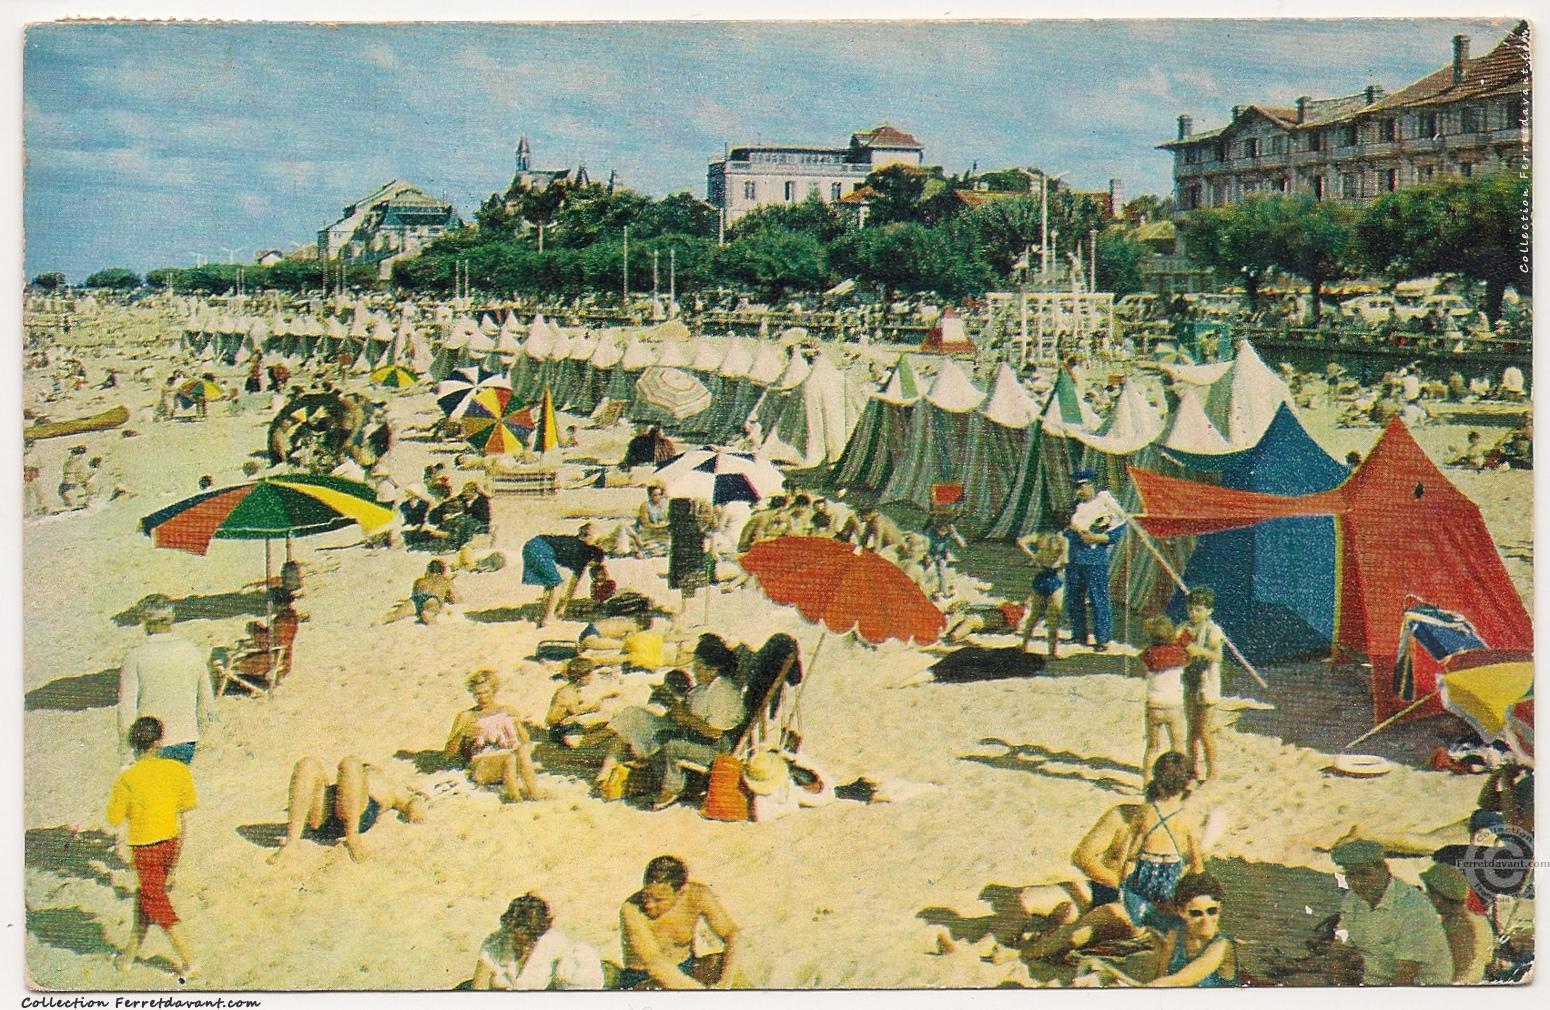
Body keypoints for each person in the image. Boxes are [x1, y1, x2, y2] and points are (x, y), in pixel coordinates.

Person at [1025, 753, 1203, 961]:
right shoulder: (1123, 815)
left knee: (1092, 922)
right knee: (1029, 897)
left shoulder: (1184, 825)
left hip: (1142, 907)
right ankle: (1001, 942)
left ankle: (1023, 954)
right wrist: (1121, 884)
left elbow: (1195, 875)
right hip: (1102, 888)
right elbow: (1082, 856)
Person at [106, 717, 197, 978]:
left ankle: (189, 960)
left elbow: (114, 818)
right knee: (146, 897)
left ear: (133, 744)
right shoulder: (178, 770)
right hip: (172, 842)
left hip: (145, 847)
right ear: (159, 741)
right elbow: (183, 813)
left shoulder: (127, 778)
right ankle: (128, 956)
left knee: (155, 901)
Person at [1328, 839, 1452, 986]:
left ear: (1384, 869)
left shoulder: (1413, 907)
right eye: (1351, 875)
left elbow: (1405, 976)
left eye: (1364, 873)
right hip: (1374, 984)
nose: (1357, 882)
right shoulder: (1353, 900)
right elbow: (1339, 952)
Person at [266, 755, 428, 864]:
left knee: (350, 763)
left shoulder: (385, 783)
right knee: (307, 764)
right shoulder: (354, 779)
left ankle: (353, 838)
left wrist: (417, 810)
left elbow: (411, 802)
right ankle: (291, 843)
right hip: (328, 813)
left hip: (358, 815)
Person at [648, 635, 747, 809]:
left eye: (698, 665)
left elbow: (715, 732)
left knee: (671, 747)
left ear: (713, 669)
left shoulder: (722, 692)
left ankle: (672, 789)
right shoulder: (706, 687)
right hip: (704, 740)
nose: (694, 670)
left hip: (718, 749)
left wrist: (686, 718)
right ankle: (682, 783)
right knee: (659, 736)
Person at [118, 595, 216, 766]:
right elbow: (206, 699)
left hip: (150, 742)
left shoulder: (135, 656)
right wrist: (203, 734)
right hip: (186, 739)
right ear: (172, 617)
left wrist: (126, 752)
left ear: (143, 619)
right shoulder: (191, 651)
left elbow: (126, 709)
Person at [617, 856, 740, 990]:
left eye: (658, 900)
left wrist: (724, 983)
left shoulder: (697, 895)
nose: (649, 905)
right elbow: (654, 963)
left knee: (720, 962)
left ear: (681, 893)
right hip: (643, 977)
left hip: (685, 967)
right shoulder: (631, 909)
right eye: (645, 895)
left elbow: (732, 933)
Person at [1100, 872, 1239, 987]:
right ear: (1181, 912)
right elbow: (1161, 977)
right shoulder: (1176, 935)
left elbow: (1181, 979)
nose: (1206, 920)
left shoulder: (1222, 946)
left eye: (1212, 911)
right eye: (1196, 913)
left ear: (1219, 908)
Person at [444, 668, 544, 802]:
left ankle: (534, 794)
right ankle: (515, 798)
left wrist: (518, 725)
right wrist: (462, 733)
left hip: (510, 761)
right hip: (482, 765)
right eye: (477, 694)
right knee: (509, 758)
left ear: (493, 690)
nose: (482, 697)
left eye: (486, 692)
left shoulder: (506, 710)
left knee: (521, 752)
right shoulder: (466, 716)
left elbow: (526, 741)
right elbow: (449, 752)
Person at [473, 893, 604, 990]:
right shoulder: (494, 944)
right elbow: (479, 986)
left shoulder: (556, 945)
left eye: (531, 937)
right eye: (517, 933)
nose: (526, 943)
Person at [1064, 470, 1127, 652]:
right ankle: (1078, 634)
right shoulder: (1075, 506)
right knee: (1074, 598)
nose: (1079, 491)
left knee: (1098, 598)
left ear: (1090, 485)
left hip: (1094, 559)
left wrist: (1095, 538)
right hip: (1074, 557)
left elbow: (1116, 532)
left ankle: (1103, 638)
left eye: (1081, 486)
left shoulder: (1105, 504)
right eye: (1076, 487)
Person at [1179, 587, 1225, 783]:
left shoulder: (1212, 630)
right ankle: (1192, 769)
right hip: (1191, 681)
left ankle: (1213, 772)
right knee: (1191, 729)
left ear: (1209, 611)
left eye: (1198, 609)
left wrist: (1199, 650)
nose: (1193, 613)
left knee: (1204, 729)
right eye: (1190, 608)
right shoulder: (1185, 627)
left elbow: (1218, 656)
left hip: (1208, 684)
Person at [1420, 863, 1492, 983]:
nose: (1426, 896)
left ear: (1438, 897)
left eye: (1429, 892)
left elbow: (1457, 973)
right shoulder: (1478, 920)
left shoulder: (1457, 926)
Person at [522, 524, 606, 627]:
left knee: (551, 584)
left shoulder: (578, 546)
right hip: (540, 549)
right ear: (592, 558)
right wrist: (563, 607)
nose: (589, 566)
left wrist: (564, 606)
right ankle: (547, 619)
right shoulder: (581, 556)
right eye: (592, 563)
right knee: (556, 584)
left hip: (532, 545)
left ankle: (544, 613)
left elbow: (573, 584)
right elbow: (573, 585)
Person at [1139, 616, 1189, 785]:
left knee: (1153, 747)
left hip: (1154, 704)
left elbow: (1145, 665)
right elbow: (1186, 650)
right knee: (1178, 745)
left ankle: (1147, 781)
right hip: (1173, 705)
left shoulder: (1149, 653)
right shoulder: (1178, 652)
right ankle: (1180, 779)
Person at [545, 658, 620, 747]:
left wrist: (601, 700)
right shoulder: (568, 692)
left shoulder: (572, 689)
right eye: (590, 675)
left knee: (604, 719)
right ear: (582, 677)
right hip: (560, 728)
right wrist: (599, 702)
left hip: (565, 724)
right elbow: (576, 711)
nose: (591, 677)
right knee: (606, 719)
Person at [1016, 529, 1068, 657]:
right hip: (1055, 576)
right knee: (1053, 618)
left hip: (1041, 575)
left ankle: (1024, 646)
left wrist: (1034, 556)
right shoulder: (1063, 540)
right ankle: (1052, 652)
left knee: (1034, 616)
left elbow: (1020, 541)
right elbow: (1065, 561)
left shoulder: (1040, 536)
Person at [922, 513, 968, 600]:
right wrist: (927, 556)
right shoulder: (930, 532)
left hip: (941, 554)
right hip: (929, 553)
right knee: (924, 569)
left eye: (944, 532)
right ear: (936, 528)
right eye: (940, 531)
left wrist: (955, 534)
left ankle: (943, 592)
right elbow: (923, 544)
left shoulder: (950, 532)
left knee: (942, 571)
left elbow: (962, 545)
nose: (942, 535)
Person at [631, 483, 671, 557]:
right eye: (655, 495)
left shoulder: (663, 505)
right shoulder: (645, 506)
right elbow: (646, 524)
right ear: (650, 496)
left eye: (659, 495)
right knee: (652, 546)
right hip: (648, 532)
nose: (658, 497)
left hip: (660, 532)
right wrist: (661, 526)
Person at [59, 443, 88, 508]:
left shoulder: (68, 461)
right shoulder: (78, 462)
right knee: (73, 507)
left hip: (64, 486)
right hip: (70, 487)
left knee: (69, 507)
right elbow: (80, 476)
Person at [23, 439, 46, 516]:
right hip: (26, 479)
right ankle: (28, 511)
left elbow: (41, 465)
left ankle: (41, 508)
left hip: (34, 477)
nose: (29, 448)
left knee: (38, 494)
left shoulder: (35, 456)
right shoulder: (23, 456)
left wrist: (33, 466)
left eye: (31, 446)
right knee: (28, 495)